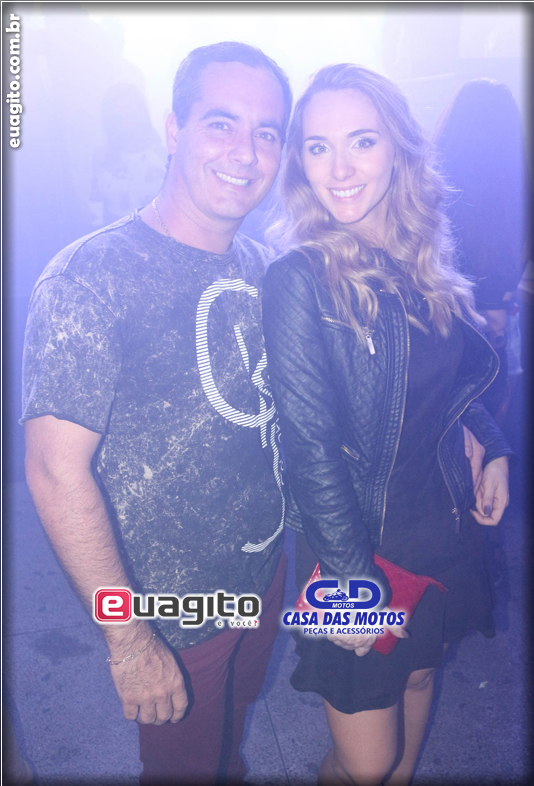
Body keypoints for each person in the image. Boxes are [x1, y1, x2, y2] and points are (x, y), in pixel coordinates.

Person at [21, 41, 292, 785]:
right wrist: (130, 640)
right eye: (221, 123)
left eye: (267, 132)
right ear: (174, 130)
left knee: (228, 736)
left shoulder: (262, 266)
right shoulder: (91, 276)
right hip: (172, 611)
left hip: (262, 574)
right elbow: (53, 473)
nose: (246, 152)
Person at [262, 64, 512, 786]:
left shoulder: (419, 259)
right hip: (356, 543)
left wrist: (492, 445)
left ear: (399, 149)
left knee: (422, 680)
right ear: (300, 161)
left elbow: (452, 380)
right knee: (367, 764)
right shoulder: (301, 278)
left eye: (362, 142)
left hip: (442, 526)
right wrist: (350, 582)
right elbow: (310, 448)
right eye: (318, 147)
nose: (338, 169)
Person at [435, 78, 531, 422]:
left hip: (444, 330)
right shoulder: (519, 191)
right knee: (491, 430)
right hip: (499, 331)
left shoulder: (434, 187)